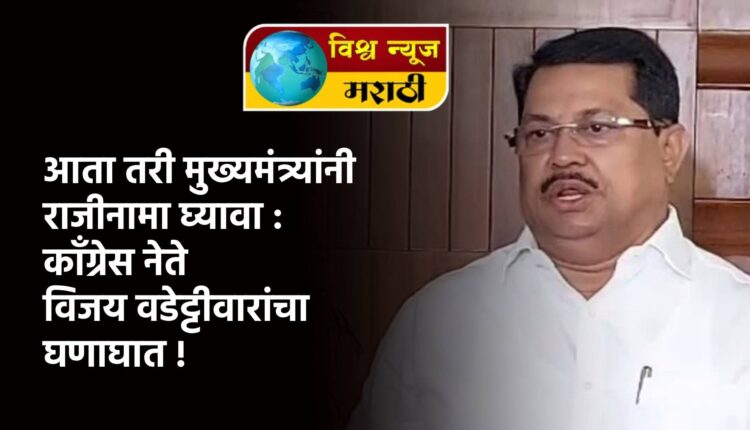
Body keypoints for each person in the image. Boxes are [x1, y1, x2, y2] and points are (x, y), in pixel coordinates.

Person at [348, 27, 750, 430]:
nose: (562, 156)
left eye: (596, 128)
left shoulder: (738, 321)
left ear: (669, 150)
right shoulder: (437, 321)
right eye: (539, 134)